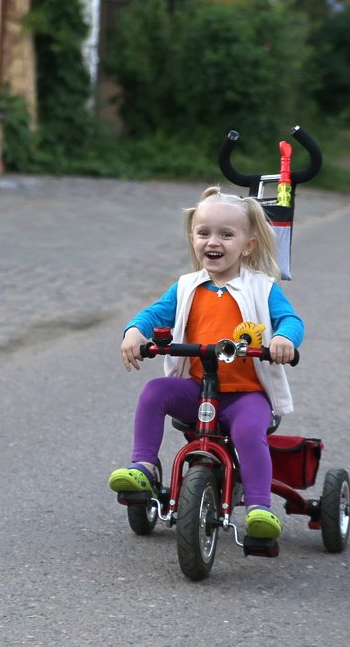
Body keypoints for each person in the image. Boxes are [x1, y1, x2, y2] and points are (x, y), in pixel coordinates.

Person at [109, 186, 304, 540]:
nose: (213, 242)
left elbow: (291, 320)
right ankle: (143, 466)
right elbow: (156, 313)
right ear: (192, 238)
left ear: (248, 244)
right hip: (198, 389)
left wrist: (283, 340)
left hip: (246, 394)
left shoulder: (262, 287)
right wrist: (136, 331)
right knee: (155, 392)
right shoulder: (187, 286)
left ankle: (260, 508)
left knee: (248, 432)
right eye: (204, 233)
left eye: (226, 234)